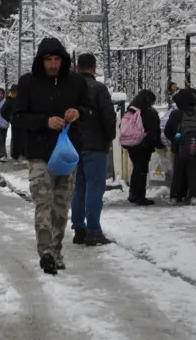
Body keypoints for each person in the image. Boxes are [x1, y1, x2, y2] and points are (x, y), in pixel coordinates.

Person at [13, 38, 91, 275]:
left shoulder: (76, 82)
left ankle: (56, 250)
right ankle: (46, 251)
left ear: (63, 60)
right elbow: (17, 116)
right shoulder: (27, 83)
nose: (53, 64)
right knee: (43, 202)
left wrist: (77, 112)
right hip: (39, 153)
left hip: (67, 154)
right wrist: (44, 121)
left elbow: (90, 110)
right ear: (41, 61)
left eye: (57, 59)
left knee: (61, 205)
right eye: (49, 60)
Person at [70, 54, 117, 247]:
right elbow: (108, 117)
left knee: (79, 188)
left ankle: (78, 228)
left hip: (74, 146)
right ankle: (94, 231)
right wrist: (110, 136)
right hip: (95, 145)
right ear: (94, 67)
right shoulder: (99, 89)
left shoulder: (70, 88)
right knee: (94, 189)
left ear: (78, 67)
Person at [165, 88, 196, 204]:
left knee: (178, 172)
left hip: (181, 146)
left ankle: (175, 196)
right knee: (193, 172)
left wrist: (175, 140)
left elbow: (167, 131)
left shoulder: (176, 114)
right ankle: (193, 196)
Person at [123, 90, 162, 208]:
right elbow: (154, 131)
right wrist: (158, 144)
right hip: (143, 145)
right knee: (141, 171)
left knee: (136, 169)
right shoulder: (149, 112)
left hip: (131, 144)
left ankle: (133, 194)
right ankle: (140, 197)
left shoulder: (132, 109)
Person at [0, 85, 22, 162]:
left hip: (22, 122)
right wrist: (9, 119)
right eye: (14, 92)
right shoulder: (9, 100)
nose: (15, 93)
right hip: (15, 123)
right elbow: (2, 111)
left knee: (22, 139)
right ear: (11, 92)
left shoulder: (20, 100)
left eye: (16, 92)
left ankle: (22, 154)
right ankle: (15, 155)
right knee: (15, 139)